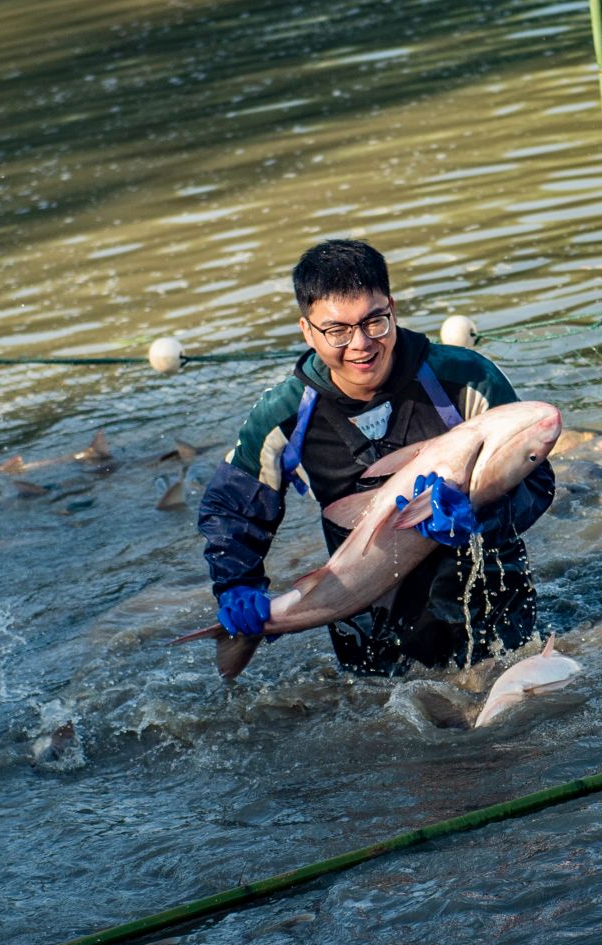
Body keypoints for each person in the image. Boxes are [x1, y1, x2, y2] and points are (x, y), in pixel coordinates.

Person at [198, 239, 555, 674]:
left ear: (393, 309)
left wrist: (481, 516)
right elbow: (232, 508)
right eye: (337, 331)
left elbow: (537, 481)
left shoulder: (467, 380)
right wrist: (237, 582)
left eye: (374, 321)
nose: (361, 344)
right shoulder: (284, 415)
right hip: (371, 627)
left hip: (492, 611)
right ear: (307, 330)